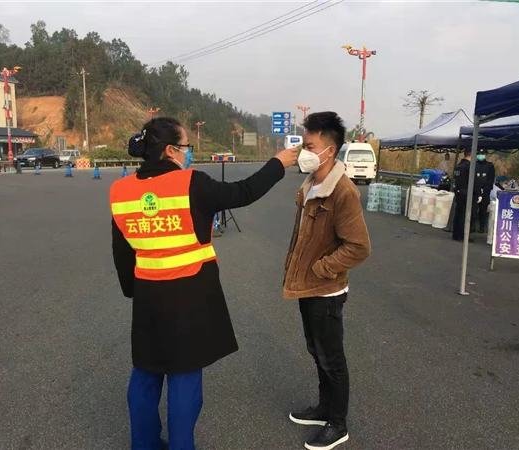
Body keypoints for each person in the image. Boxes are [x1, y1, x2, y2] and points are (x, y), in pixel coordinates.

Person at [109, 117, 298, 450]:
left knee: (145, 372)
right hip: (189, 296)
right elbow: (244, 191)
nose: (188, 152)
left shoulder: (121, 190)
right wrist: (278, 163)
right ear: (170, 150)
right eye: (186, 146)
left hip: (148, 296)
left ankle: (144, 444)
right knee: (184, 377)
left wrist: (132, 291)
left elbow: (122, 251)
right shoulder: (191, 183)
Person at [282, 112, 371, 450]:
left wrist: (322, 268)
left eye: (309, 146)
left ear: (329, 150)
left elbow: (358, 247)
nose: (303, 152)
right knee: (316, 350)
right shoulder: (311, 185)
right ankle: (323, 408)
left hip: (326, 289)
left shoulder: (342, 191)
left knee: (332, 358)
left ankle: (338, 423)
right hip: (308, 287)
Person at [451, 149, 481, 242]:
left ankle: (455, 234)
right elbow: (474, 181)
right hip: (468, 194)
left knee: (458, 214)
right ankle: (462, 236)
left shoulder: (458, 166)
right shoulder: (470, 166)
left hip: (459, 193)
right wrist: (479, 193)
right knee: (466, 215)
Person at [474, 149, 496, 233]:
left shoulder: (489, 166)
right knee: (473, 210)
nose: (481, 155)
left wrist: (485, 189)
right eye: (479, 154)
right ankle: (472, 227)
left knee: (483, 210)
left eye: (482, 154)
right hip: (475, 191)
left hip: (485, 192)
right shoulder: (474, 165)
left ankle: (481, 227)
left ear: (486, 155)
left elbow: (491, 179)